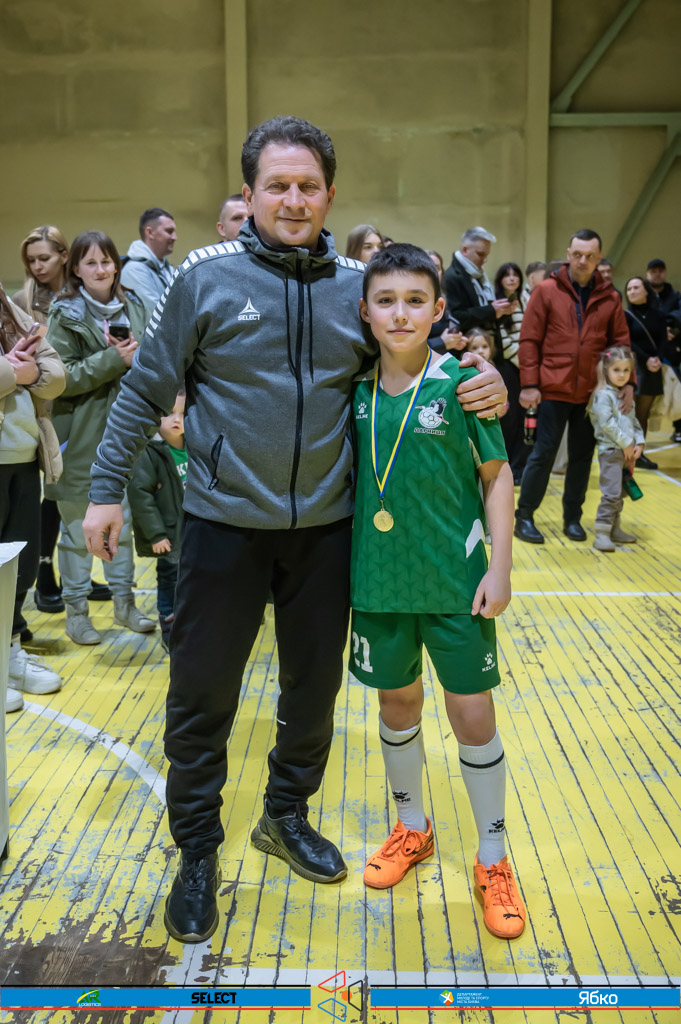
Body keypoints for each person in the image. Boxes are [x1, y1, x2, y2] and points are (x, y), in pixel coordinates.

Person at [81, 115, 506, 945]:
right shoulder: (204, 278)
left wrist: (479, 375)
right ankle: (196, 850)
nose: (293, 199)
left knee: (311, 696)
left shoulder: (355, 285)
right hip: (221, 526)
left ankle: (284, 815)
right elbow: (144, 388)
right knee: (202, 695)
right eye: (276, 184)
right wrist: (103, 492)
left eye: (308, 185)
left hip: (327, 533)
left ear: (330, 196)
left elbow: (417, 353)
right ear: (249, 194)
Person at [349, 244, 524, 939]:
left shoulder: (463, 384)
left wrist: (500, 567)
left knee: (471, 713)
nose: (400, 314)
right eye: (386, 301)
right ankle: (411, 828)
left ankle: (493, 858)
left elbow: (497, 476)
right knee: (397, 705)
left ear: (438, 309)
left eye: (415, 301)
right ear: (365, 311)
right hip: (378, 582)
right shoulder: (352, 389)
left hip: (456, 582)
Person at [46, 230, 154, 646]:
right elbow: (60, 378)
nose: (100, 269)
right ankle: (77, 613)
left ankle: (125, 605)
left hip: (128, 437)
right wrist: (113, 358)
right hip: (79, 440)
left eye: (106, 261)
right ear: (75, 269)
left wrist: (134, 357)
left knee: (121, 530)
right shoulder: (64, 314)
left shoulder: (136, 305)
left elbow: (154, 359)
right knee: (77, 536)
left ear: (116, 265)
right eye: (90, 262)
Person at [514, 229, 631, 545]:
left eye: (590, 256)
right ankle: (524, 516)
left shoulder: (610, 297)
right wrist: (529, 384)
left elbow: (620, 343)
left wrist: (627, 384)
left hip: (592, 394)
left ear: (598, 258)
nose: (582, 260)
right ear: (568, 255)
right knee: (543, 454)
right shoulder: (546, 291)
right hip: (552, 388)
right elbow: (529, 340)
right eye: (577, 254)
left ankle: (572, 519)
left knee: (582, 457)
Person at [0, 288, 65, 713]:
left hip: (23, 456)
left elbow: (56, 373)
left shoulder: (8, 306)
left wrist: (27, 371)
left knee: (19, 567)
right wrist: (15, 372)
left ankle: (9, 653)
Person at [13, 226, 71, 617]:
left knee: (75, 494)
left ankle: (74, 574)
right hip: (44, 409)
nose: (37, 266)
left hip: (78, 400)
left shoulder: (80, 293)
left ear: (64, 256)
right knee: (50, 494)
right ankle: (45, 572)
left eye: (44, 258)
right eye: (31, 260)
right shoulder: (21, 300)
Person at [128, 391, 186, 651]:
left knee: (193, 578)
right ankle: (169, 624)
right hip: (169, 533)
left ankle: (190, 624)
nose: (177, 419)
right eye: (170, 413)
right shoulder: (150, 452)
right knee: (170, 578)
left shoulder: (195, 446)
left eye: (182, 413)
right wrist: (156, 534)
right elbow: (141, 496)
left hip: (194, 531)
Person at [588, 348, 644, 552]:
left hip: (626, 452)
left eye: (626, 370)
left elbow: (634, 421)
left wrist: (639, 443)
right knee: (611, 494)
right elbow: (607, 424)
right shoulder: (603, 395)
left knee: (620, 493)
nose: (622, 374)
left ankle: (614, 529)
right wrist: (626, 443)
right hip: (611, 452)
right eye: (617, 370)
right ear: (606, 370)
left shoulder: (624, 395)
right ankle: (601, 533)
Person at [442, 227, 517, 341]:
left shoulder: (479, 275)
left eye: (487, 255)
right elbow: (456, 317)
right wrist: (491, 310)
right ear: (465, 250)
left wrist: (503, 311)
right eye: (481, 254)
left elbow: (490, 318)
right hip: (469, 344)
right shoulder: (451, 276)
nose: (485, 260)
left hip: (490, 342)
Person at [624, 276, 666, 469]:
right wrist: (646, 359)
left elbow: (662, 340)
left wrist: (658, 359)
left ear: (646, 291)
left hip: (653, 369)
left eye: (636, 288)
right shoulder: (625, 315)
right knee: (629, 413)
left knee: (643, 414)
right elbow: (627, 341)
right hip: (633, 367)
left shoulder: (658, 315)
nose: (632, 292)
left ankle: (638, 454)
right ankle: (626, 453)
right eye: (629, 289)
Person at [494, 263, 528, 484]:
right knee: (510, 418)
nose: (512, 278)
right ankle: (506, 467)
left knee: (524, 419)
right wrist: (524, 362)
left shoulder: (523, 301)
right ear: (500, 280)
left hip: (523, 366)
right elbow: (503, 341)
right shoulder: (496, 303)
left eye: (516, 274)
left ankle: (518, 467)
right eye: (507, 275)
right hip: (508, 366)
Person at [120, 208, 177, 323]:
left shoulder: (167, 269)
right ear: (150, 232)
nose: (174, 237)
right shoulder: (134, 270)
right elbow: (157, 316)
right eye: (169, 231)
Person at [646, 259, 681, 443]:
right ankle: (639, 432)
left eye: (660, 270)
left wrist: (670, 328)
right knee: (647, 394)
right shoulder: (643, 295)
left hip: (672, 351)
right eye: (653, 271)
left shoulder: (675, 296)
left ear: (665, 273)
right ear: (647, 274)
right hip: (649, 351)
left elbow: (679, 315)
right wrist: (659, 329)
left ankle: (679, 429)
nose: (657, 274)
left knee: (677, 391)